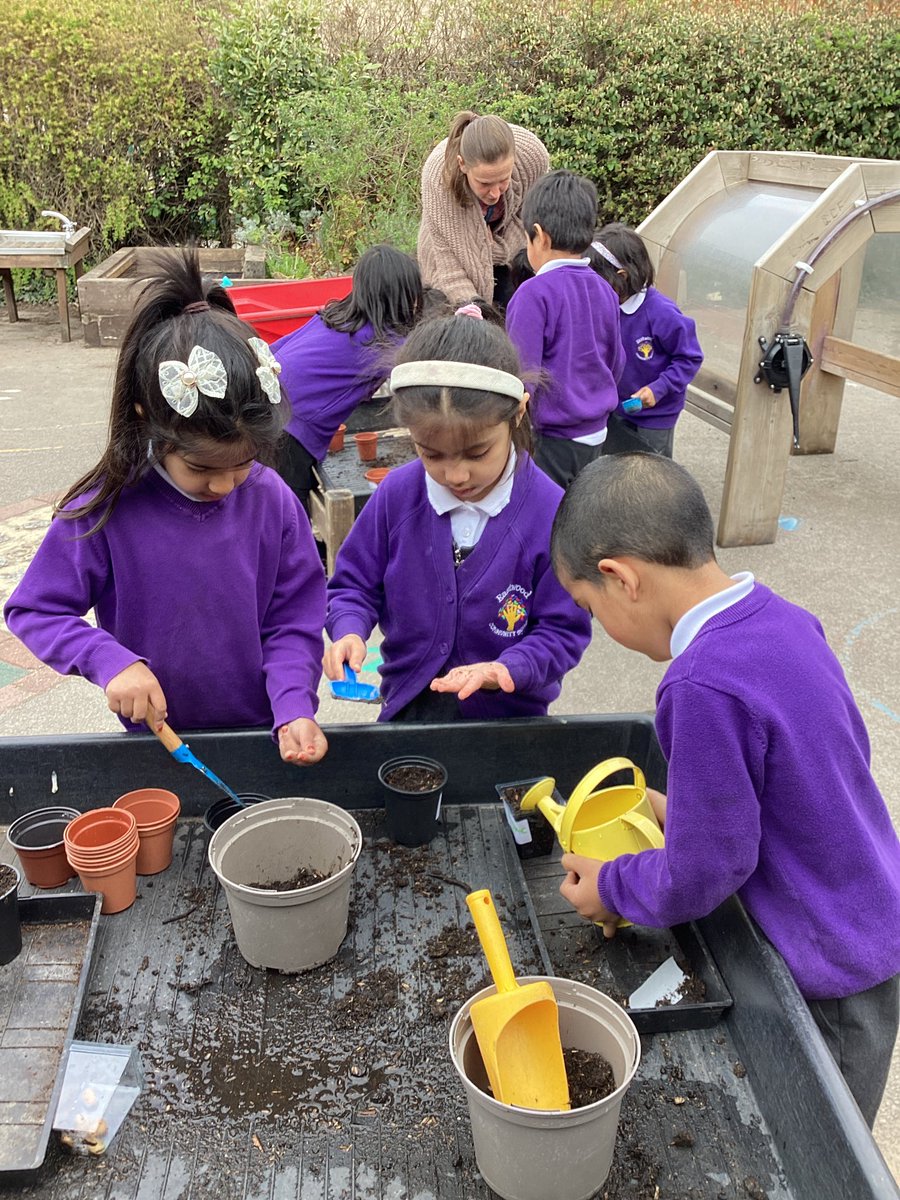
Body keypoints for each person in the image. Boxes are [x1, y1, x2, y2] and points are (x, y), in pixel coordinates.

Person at [550, 453, 900, 1125]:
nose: (599, 628)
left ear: (620, 579)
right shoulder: (786, 620)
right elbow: (797, 780)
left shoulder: (698, 684)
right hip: (863, 915)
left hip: (825, 968)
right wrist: (684, 811)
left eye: (588, 607)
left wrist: (613, 885)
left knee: (821, 1139)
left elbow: (707, 870)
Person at [4, 249, 328, 765]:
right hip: (154, 742)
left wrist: (294, 705)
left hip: (265, 733)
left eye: (242, 464)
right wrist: (108, 660)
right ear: (146, 419)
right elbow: (35, 609)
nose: (224, 486)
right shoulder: (108, 507)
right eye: (201, 470)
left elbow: (294, 619)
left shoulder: (272, 500)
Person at [323, 312, 592, 721]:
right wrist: (348, 630)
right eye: (431, 454)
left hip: (509, 720)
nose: (456, 475)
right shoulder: (396, 495)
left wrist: (506, 669)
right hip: (408, 710)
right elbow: (353, 585)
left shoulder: (551, 513)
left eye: (477, 452)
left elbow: (562, 630)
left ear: (518, 413)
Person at [273, 245, 423, 511]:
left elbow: (274, 352)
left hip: (268, 407)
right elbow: (421, 376)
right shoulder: (384, 341)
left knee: (278, 500)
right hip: (293, 431)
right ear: (403, 295)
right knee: (291, 510)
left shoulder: (333, 317)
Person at [505, 170, 625, 489]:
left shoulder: (533, 294)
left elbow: (522, 375)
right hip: (598, 432)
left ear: (539, 236)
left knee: (549, 519)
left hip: (553, 438)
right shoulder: (605, 290)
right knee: (581, 518)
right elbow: (616, 362)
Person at [590, 223, 703, 458]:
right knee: (619, 465)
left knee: (652, 471)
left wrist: (659, 388)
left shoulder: (661, 313)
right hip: (619, 409)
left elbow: (689, 357)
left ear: (621, 277)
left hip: (656, 414)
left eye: (596, 281)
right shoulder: (605, 307)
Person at [417, 111, 549, 308]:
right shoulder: (439, 177)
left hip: (505, 245)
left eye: (503, 180)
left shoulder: (532, 156)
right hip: (448, 250)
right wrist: (474, 311)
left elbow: (532, 220)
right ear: (462, 165)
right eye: (484, 183)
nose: (495, 193)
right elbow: (450, 268)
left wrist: (495, 249)